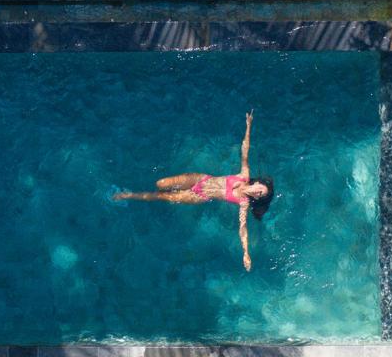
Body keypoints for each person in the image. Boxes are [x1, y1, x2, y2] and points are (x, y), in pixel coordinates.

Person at [113, 111, 274, 271]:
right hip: (200, 179)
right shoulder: (244, 175)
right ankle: (138, 189)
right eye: (260, 189)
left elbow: (243, 227)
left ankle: (129, 195)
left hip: (199, 195)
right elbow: (245, 151)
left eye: (261, 195)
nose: (258, 192)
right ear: (257, 183)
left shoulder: (244, 202)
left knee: (161, 196)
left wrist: (246, 252)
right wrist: (248, 125)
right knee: (160, 183)